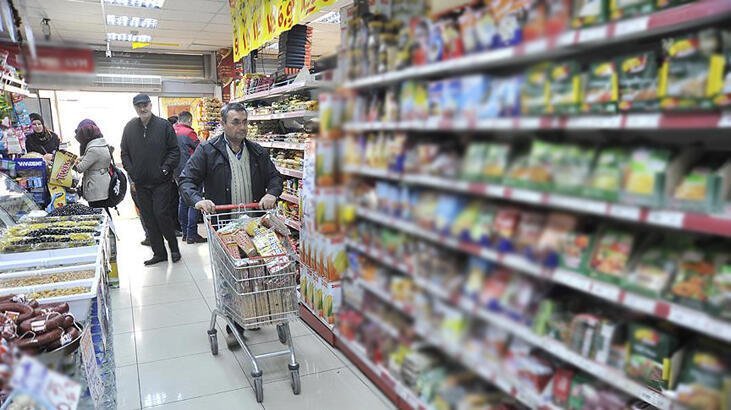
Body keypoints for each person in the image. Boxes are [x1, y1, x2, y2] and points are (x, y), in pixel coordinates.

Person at [179, 102, 282, 214]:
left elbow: (274, 177)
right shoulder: (207, 150)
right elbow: (186, 180)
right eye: (236, 122)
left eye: (245, 122)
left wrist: (272, 193)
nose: (242, 127)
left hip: (255, 221)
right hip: (222, 220)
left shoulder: (257, 151)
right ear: (223, 124)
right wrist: (197, 200)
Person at [121, 93, 181, 266]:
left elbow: (174, 150)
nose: (142, 108)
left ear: (150, 105)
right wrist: (132, 171)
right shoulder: (130, 128)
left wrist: (165, 168)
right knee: (148, 217)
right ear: (135, 108)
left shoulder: (163, 126)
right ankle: (159, 253)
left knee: (161, 214)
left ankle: (174, 248)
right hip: (141, 182)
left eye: (145, 104)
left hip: (161, 181)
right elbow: (124, 152)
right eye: (139, 106)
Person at [173, 111, 206, 244]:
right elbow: (201, 150)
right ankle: (192, 234)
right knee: (194, 201)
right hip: (191, 172)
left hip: (177, 172)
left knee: (183, 200)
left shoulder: (172, 131)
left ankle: (185, 233)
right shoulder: (189, 133)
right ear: (189, 120)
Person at [73, 119, 111, 207]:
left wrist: (71, 162)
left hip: (96, 188)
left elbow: (80, 168)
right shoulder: (101, 144)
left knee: (97, 209)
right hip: (103, 183)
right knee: (104, 209)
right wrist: (80, 158)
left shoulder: (93, 149)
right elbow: (89, 158)